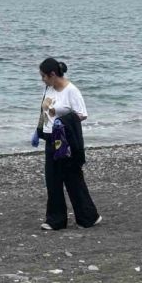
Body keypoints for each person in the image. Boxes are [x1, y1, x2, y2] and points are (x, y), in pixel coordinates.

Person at [37, 58, 101, 230]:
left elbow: (82, 114)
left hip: (66, 139)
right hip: (51, 138)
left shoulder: (71, 91)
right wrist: (38, 131)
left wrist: (63, 121)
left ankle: (88, 217)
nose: (42, 79)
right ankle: (55, 220)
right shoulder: (49, 89)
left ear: (52, 74)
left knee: (73, 178)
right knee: (52, 179)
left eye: (44, 76)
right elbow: (45, 110)